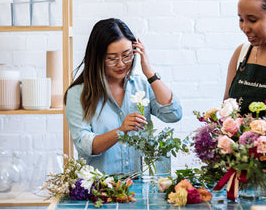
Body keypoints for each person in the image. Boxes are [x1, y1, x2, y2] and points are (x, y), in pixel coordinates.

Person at [64, 18, 182, 175]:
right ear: (97, 58)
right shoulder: (78, 94)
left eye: (127, 55)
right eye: (112, 58)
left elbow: (174, 114)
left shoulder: (141, 85)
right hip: (101, 190)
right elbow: (84, 145)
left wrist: (149, 73)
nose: (121, 64)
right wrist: (120, 131)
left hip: (140, 187)